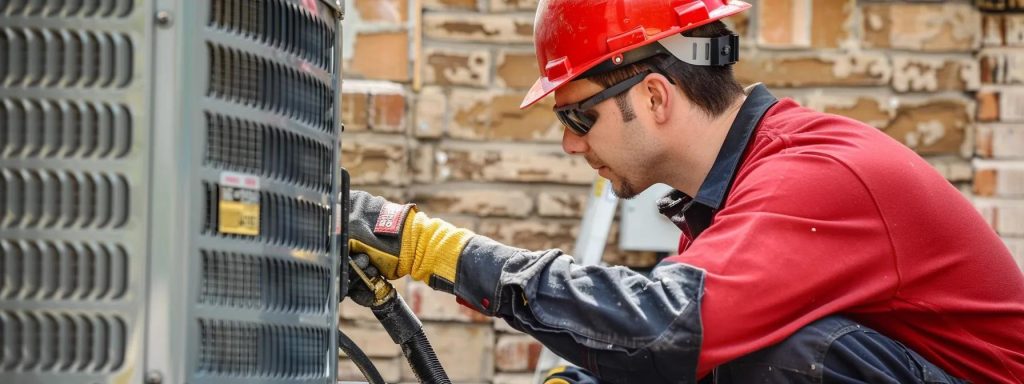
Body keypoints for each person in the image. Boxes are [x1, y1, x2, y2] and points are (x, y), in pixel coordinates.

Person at [345, 0, 1024, 382]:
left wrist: (438, 250)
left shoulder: (813, 174)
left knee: (778, 357)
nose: (571, 144)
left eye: (578, 117)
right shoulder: (733, 196)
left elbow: (670, 330)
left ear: (655, 95)